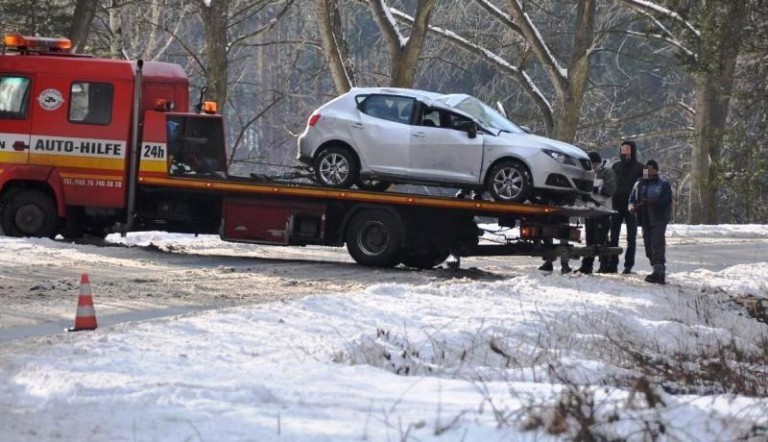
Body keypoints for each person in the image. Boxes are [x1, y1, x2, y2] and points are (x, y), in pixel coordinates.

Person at [629, 160, 672, 284]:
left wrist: (652, 203)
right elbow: (631, 199)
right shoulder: (638, 184)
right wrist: (632, 207)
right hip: (644, 219)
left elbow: (666, 201)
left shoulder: (663, 185)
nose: (648, 173)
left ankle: (659, 271)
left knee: (657, 244)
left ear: (656, 171)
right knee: (648, 247)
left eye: (651, 170)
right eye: (646, 170)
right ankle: (655, 268)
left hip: (658, 219)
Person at [605, 140, 644, 274]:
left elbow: (648, 184)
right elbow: (609, 183)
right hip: (616, 205)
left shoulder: (641, 168)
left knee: (631, 237)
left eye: (627, 149)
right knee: (613, 236)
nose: (625, 151)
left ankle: (628, 265)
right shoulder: (615, 166)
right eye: (623, 149)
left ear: (632, 151)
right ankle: (612, 263)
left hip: (632, 207)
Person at [576, 151, 616, 274]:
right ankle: (587, 265)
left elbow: (610, 190)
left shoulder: (607, 173)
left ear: (597, 162)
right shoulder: (588, 173)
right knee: (590, 240)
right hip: (590, 210)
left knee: (601, 240)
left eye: (592, 164)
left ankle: (605, 264)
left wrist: (594, 189)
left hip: (602, 210)